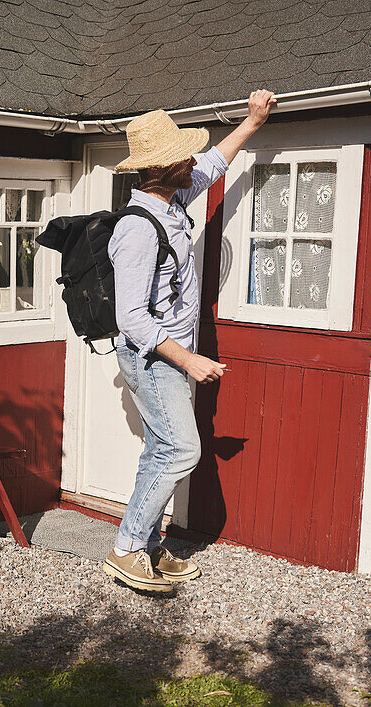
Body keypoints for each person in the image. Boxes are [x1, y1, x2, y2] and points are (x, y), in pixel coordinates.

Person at [102, 91, 276, 592]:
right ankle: (128, 548)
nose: (191, 161)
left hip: (170, 358)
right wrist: (189, 361)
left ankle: (148, 549)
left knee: (161, 449)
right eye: (183, 156)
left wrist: (252, 123)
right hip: (153, 358)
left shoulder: (172, 197)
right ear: (160, 169)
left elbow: (214, 165)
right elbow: (130, 317)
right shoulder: (137, 229)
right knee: (181, 451)